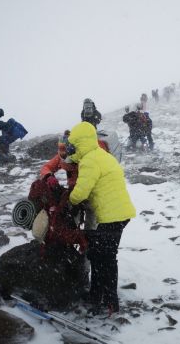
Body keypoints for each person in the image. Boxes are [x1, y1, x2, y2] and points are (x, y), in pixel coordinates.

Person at [68, 121, 136, 314]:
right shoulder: (103, 155)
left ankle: (109, 301)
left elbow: (81, 192)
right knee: (99, 256)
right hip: (119, 215)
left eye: (73, 146)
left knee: (104, 259)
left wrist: (70, 199)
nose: (71, 150)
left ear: (80, 143)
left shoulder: (89, 160)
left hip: (111, 217)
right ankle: (98, 295)